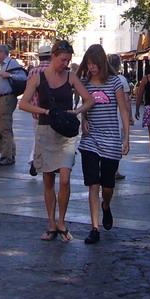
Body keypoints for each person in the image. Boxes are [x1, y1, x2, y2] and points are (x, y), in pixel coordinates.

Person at [19, 39, 94, 242]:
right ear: (53, 57)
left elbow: (89, 99)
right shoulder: (37, 78)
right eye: (62, 60)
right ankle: (52, 223)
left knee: (66, 178)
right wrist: (45, 111)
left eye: (68, 60)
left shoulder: (70, 77)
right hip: (45, 130)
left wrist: (76, 111)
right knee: (48, 179)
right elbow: (23, 104)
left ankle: (62, 221)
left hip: (66, 133)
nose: (65, 64)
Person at [77, 46, 131, 244]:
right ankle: (94, 227)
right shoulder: (85, 83)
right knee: (93, 182)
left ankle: (106, 206)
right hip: (90, 139)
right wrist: (83, 118)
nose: (91, 67)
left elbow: (124, 111)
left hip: (111, 139)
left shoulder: (114, 82)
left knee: (107, 185)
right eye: (88, 63)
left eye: (94, 63)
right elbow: (84, 104)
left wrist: (126, 137)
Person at [0, 44, 27, 167]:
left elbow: (23, 77)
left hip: (6, 99)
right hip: (1, 98)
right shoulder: (3, 65)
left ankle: (6, 155)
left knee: (5, 127)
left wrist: (10, 75)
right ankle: (10, 153)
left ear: (3, 53)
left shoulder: (11, 63)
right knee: (4, 126)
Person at [25, 44, 54, 176]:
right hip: (51, 110)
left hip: (36, 109)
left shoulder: (33, 71)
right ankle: (38, 160)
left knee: (38, 136)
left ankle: (35, 160)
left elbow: (28, 92)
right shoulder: (53, 70)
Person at [107, 53, 133, 181]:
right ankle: (115, 169)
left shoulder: (104, 77)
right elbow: (127, 100)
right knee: (118, 141)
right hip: (119, 113)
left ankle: (107, 167)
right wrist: (130, 115)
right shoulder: (121, 79)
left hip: (107, 113)